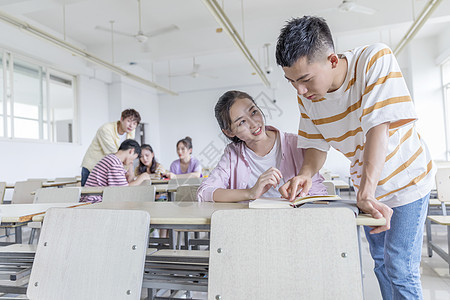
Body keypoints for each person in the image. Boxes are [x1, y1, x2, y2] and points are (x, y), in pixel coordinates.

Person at [275, 16, 435, 299]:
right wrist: (305, 174)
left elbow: (378, 128)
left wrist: (367, 191)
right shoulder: (308, 96)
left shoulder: (374, 60)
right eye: (292, 82)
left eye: (305, 80)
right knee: (382, 266)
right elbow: (315, 144)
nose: (299, 90)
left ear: (333, 60)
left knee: (399, 267)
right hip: (367, 186)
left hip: (407, 180)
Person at [197, 90, 327, 202]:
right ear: (229, 132)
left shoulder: (296, 144)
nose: (254, 124)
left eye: (253, 112)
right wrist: (250, 193)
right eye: (242, 122)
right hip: (252, 225)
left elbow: (319, 194)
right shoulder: (232, 154)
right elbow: (204, 192)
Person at [81, 109, 141, 186]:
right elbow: (115, 154)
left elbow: (128, 154)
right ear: (121, 119)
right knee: (89, 193)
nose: (131, 125)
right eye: (129, 121)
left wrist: (130, 172)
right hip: (93, 167)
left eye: (134, 123)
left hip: (111, 168)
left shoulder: (131, 131)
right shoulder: (106, 129)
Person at [80, 139, 150, 203]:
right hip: (93, 202)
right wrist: (142, 178)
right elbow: (123, 190)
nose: (132, 161)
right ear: (131, 151)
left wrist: (130, 169)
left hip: (93, 200)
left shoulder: (112, 159)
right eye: (133, 158)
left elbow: (127, 181)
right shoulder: (114, 163)